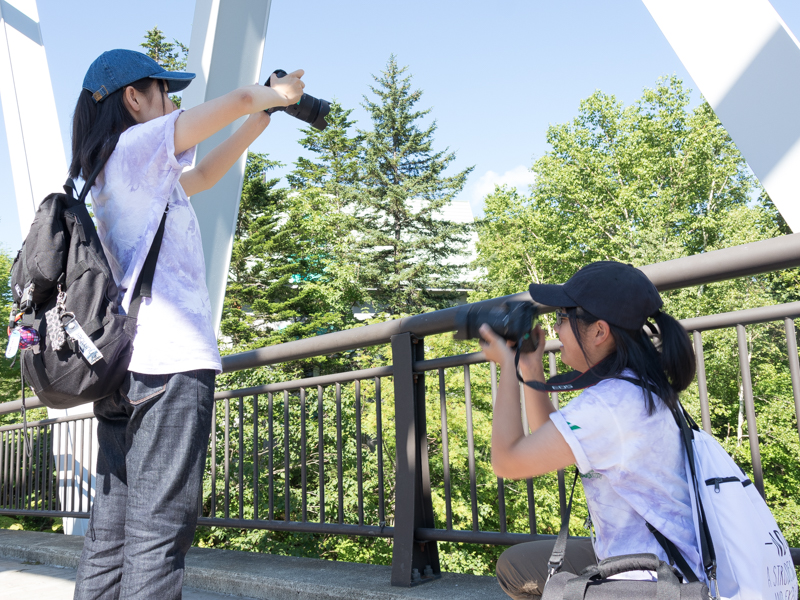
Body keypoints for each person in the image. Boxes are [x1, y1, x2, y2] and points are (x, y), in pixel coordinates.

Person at [69, 49, 305, 600]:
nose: (173, 104)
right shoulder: (137, 144)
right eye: (165, 93)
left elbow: (206, 173)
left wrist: (263, 117)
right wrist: (276, 94)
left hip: (124, 371)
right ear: (134, 97)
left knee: (110, 538)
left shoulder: (109, 170)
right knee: (157, 539)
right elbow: (240, 97)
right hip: (170, 366)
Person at [478, 261, 701, 599]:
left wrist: (507, 367)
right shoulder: (638, 387)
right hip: (671, 560)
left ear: (599, 331)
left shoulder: (609, 404)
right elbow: (549, 441)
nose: (555, 330)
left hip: (651, 580)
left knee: (517, 570)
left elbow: (506, 462)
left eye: (562, 319)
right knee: (517, 564)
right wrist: (530, 366)